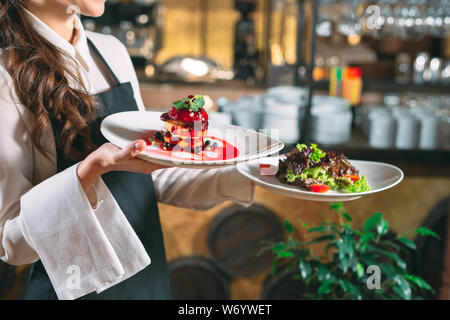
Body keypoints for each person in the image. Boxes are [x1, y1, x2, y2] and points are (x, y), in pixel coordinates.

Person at [0, 0, 254, 300]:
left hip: (149, 281)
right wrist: (89, 171)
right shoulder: (5, 74)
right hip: (77, 290)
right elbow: (10, 243)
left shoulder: (112, 51)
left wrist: (251, 171)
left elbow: (149, 178)